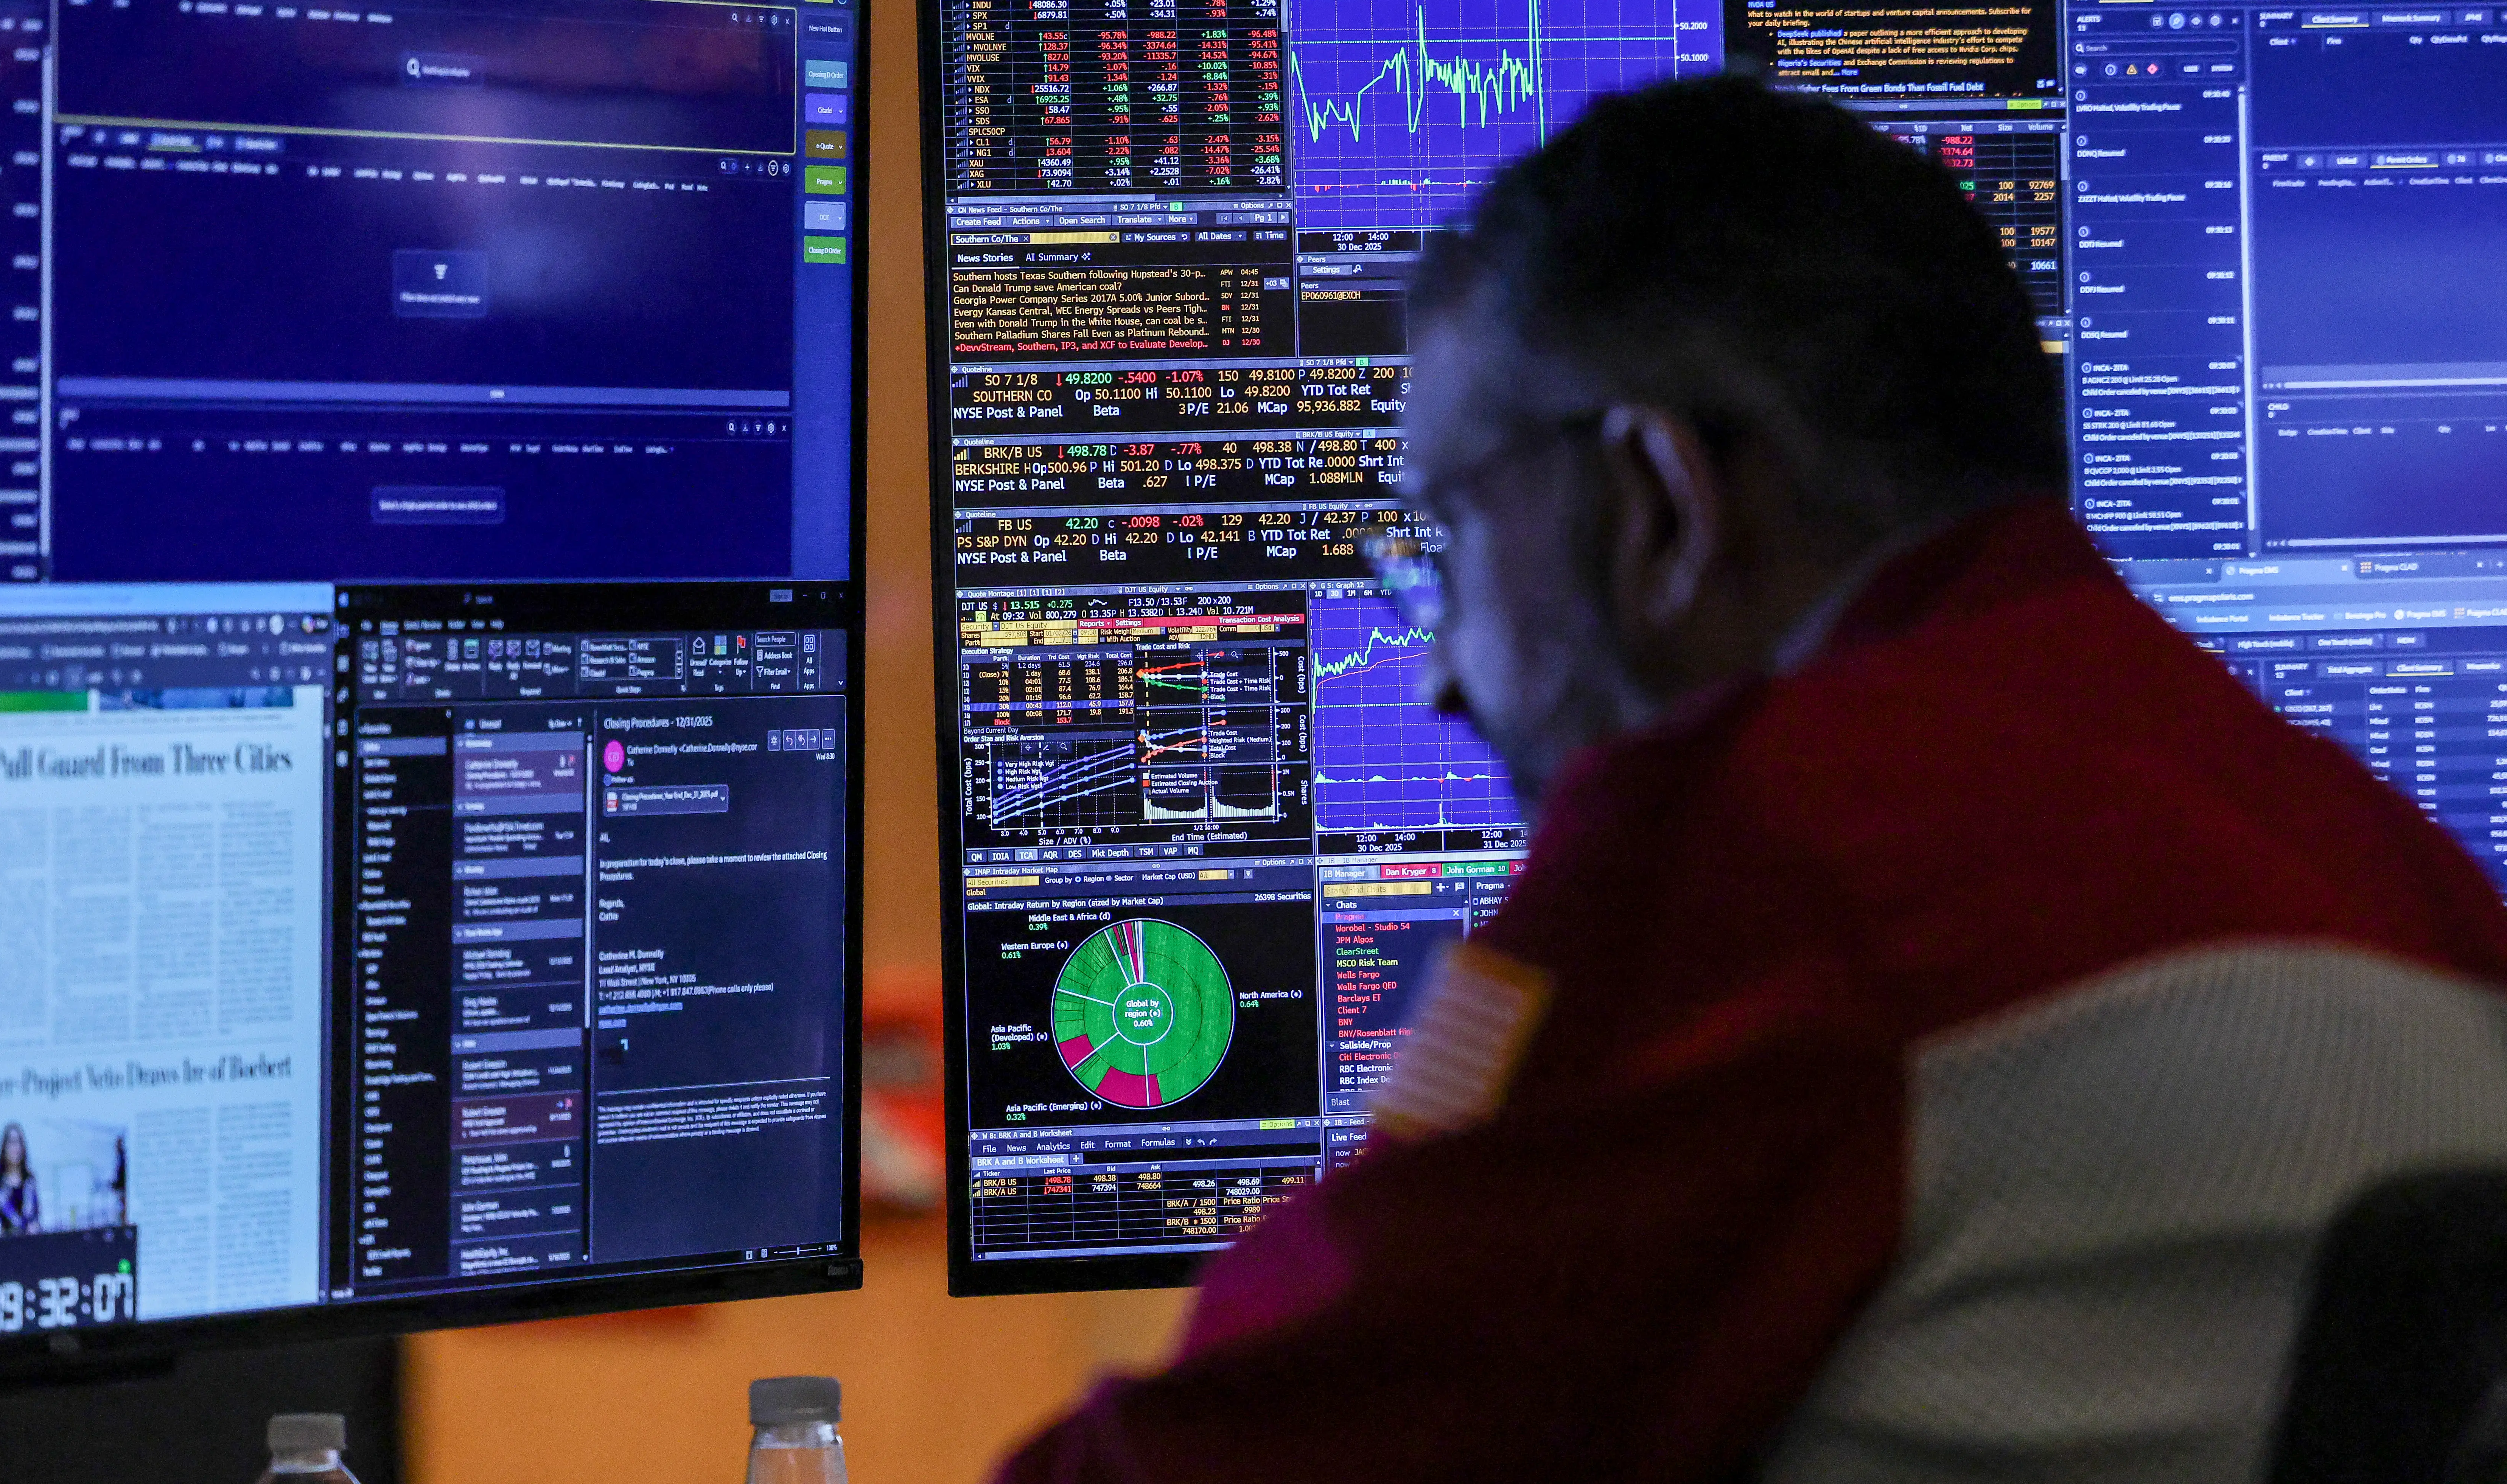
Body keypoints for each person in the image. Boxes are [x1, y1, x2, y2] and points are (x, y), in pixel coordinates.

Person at [991, 75, 2507, 1484]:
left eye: (1445, 542)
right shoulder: (2387, 860)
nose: (1442, 673)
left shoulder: (1781, 841)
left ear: (1658, 502)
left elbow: (1245, 1444)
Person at [0, 1122, 40, 1236]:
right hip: (6, 1244)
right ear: (4, 1148)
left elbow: (36, 1217)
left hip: (30, 1243)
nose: (16, 1148)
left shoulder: (30, 1182)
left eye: (19, 1143)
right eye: (12, 1143)